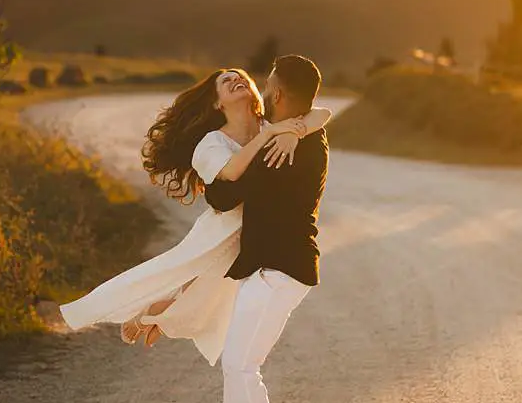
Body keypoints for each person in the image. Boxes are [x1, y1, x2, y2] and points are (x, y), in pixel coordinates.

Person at [56, 68, 330, 366]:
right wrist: (273, 133)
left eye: (241, 76)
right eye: (226, 81)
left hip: (257, 229)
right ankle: (148, 312)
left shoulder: (271, 124)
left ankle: (157, 315)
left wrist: (294, 131)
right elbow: (232, 172)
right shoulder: (211, 144)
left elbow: (322, 113)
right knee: (186, 276)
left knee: (210, 297)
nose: (236, 79)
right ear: (217, 103)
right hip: (223, 227)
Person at [179, 55, 328, 403]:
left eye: (267, 84)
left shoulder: (281, 150)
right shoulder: (302, 136)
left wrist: (281, 134)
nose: (261, 89)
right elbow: (320, 113)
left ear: (277, 94)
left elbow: (222, 197)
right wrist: (295, 125)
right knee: (237, 358)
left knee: (242, 364)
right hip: (279, 267)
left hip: (279, 271)